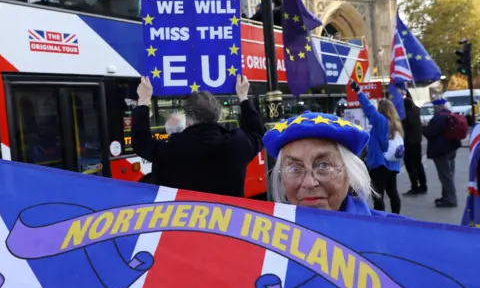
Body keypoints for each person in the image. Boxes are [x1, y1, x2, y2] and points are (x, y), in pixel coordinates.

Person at [131, 75, 264, 197]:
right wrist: (243, 97)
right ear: (217, 117)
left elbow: (141, 142)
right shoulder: (237, 145)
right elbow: (257, 134)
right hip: (229, 219)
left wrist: (143, 101)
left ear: (188, 121)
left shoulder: (173, 148)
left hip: (186, 220)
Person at [263, 111, 407, 218]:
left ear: (350, 174)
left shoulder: (398, 237)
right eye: (294, 168)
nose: (309, 183)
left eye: (324, 165)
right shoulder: (261, 240)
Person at [350, 81, 403, 214]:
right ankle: (396, 216)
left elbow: (368, 109)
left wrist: (359, 91)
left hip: (380, 164)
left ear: (381, 110)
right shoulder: (396, 124)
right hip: (393, 164)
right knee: (393, 192)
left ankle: (381, 219)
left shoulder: (381, 122)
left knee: (378, 195)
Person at [424, 98, 461, 207]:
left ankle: (450, 199)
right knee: (449, 174)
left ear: (438, 107)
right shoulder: (449, 114)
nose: (433, 110)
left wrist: (424, 128)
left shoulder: (439, 118)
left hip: (441, 150)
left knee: (445, 175)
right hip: (451, 148)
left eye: (434, 108)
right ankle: (446, 196)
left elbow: (430, 133)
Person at [149, 113, 186, 186]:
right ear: (184, 128)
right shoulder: (190, 147)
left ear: (167, 130)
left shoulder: (159, 150)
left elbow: (157, 179)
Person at [402, 94, 428, 195]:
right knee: (418, 164)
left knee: (410, 165)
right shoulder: (416, 112)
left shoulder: (405, 116)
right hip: (417, 142)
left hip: (408, 142)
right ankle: (423, 185)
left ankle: (414, 187)